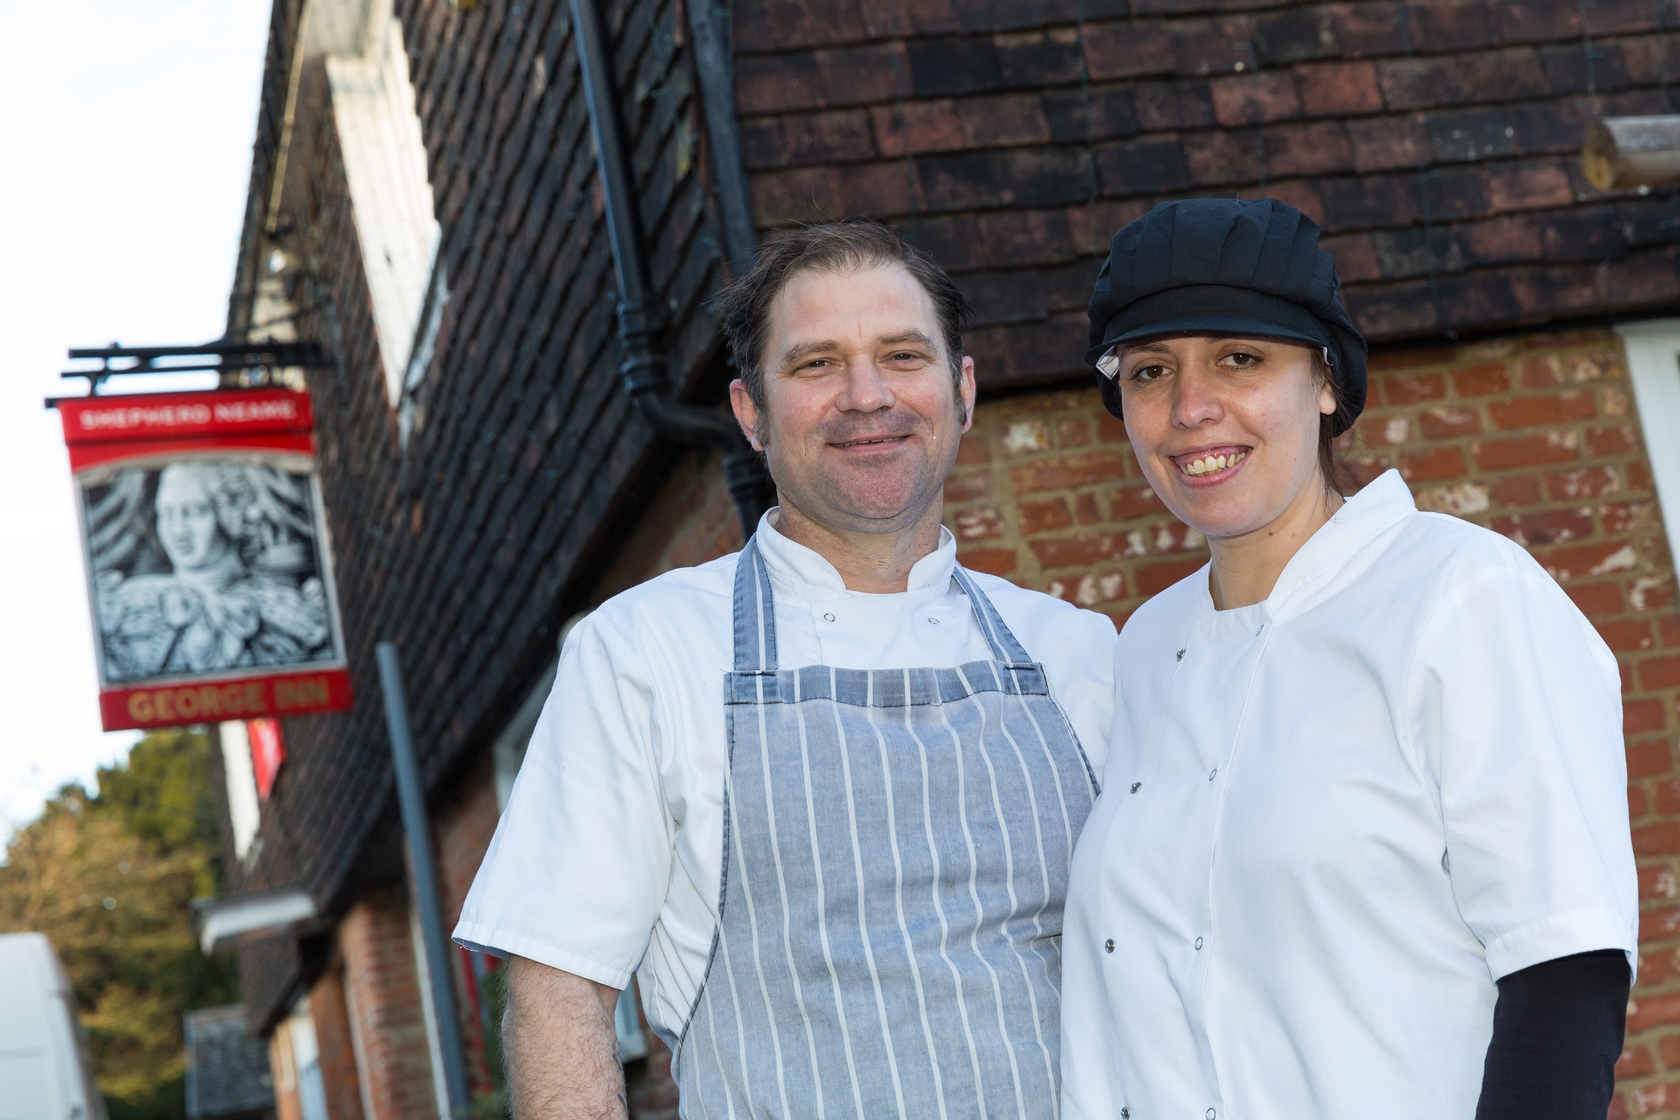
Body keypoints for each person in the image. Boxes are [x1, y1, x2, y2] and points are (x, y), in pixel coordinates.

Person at [454, 219, 1117, 1120]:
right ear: (750, 412)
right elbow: (557, 983)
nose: (867, 395)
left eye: (903, 355)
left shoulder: (1078, 651)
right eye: (815, 365)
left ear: (961, 390)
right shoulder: (647, 651)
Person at [1060, 197, 1637, 1120]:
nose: (1191, 408)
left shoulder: (1459, 594)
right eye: (1149, 371)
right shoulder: (1142, 654)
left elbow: (1564, 968)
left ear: (1327, 382)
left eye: (1239, 358)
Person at [93, 460, 331, 679]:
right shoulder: (128, 608)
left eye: (193, 511)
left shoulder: (285, 608)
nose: (178, 531)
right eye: (166, 514)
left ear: (229, 514)